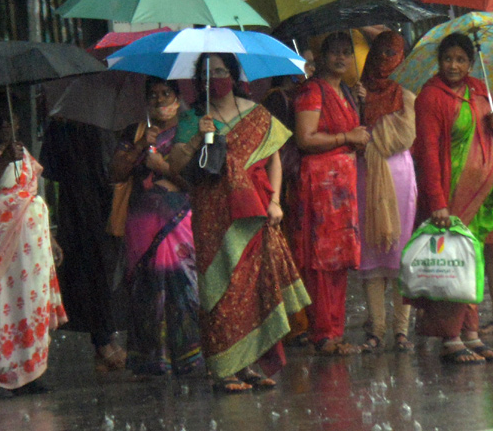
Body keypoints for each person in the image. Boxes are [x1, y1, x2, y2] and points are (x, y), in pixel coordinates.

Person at [168, 54, 310, 391]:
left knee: (254, 285)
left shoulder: (257, 114)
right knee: (220, 287)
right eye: (207, 73)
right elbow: (175, 164)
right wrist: (195, 138)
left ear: (232, 75)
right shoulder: (193, 116)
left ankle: (248, 364)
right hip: (211, 211)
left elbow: (274, 160)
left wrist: (275, 201)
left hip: (255, 209)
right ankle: (224, 367)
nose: (214, 78)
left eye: (220, 71)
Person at [0, 94, 67, 400]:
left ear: (18, 121)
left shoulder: (23, 152)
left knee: (28, 308)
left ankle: (29, 373)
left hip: (29, 254)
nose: (5, 124)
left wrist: (50, 238)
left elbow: (30, 196)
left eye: (10, 119)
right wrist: (4, 159)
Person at [107, 78, 202, 377]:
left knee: (183, 287)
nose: (160, 100)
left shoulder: (192, 129)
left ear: (178, 96)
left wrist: (163, 168)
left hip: (182, 220)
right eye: (153, 95)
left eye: (166, 93)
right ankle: (151, 359)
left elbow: (199, 184)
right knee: (147, 290)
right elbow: (115, 172)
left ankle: (189, 357)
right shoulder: (136, 131)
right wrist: (140, 146)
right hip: (142, 225)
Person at [410, 32, 493, 364]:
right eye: (448, 59)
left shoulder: (480, 90)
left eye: (461, 60)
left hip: (481, 194)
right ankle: (451, 336)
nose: (454, 65)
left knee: (473, 262)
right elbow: (428, 153)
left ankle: (471, 332)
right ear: (439, 61)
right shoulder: (430, 98)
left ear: (471, 63)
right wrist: (437, 202)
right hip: (449, 192)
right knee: (451, 263)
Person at [291, 31, 370, 355]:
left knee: (339, 261)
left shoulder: (346, 92)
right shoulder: (312, 90)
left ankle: (335, 332)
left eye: (346, 53)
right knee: (321, 262)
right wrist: (344, 137)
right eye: (334, 52)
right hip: (320, 186)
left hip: (342, 186)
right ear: (321, 57)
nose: (341, 58)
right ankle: (323, 334)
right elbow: (305, 139)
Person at [39, 117, 126, 371]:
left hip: (107, 200)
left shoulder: (108, 117)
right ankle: (102, 339)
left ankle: (106, 336)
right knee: (93, 270)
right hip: (81, 207)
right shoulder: (67, 122)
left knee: (108, 270)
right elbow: (52, 168)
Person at [356, 31, 418, 352]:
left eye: (393, 53)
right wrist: (359, 107)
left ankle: (401, 330)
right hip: (366, 177)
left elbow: (406, 135)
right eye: (381, 52)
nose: (385, 59)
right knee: (372, 252)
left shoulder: (406, 95)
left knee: (400, 252)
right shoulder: (357, 93)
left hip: (400, 177)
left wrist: (372, 137)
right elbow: (350, 134)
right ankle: (376, 329)